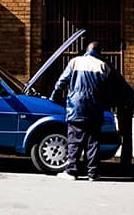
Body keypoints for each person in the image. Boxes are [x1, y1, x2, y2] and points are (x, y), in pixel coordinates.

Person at [50, 41, 111, 181]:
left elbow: (61, 82)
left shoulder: (75, 62)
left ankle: (72, 171)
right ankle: (93, 174)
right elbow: (108, 90)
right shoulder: (103, 66)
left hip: (76, 107)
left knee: (74, 140)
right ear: (99, 52)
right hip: (95, 108)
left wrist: (54, 97)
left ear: (87, 50)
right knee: (93, 141)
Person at [105, 66, 134, 171]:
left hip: (126, 101)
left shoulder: (105, 71)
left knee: (125, 132)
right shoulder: (108, 69)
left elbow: (107, 93)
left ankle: (126, 162)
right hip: (125, 99)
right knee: (125, 132)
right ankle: (125, 161)